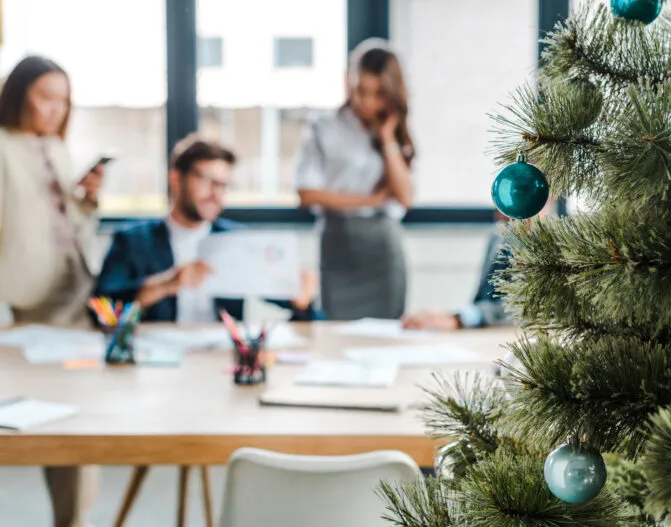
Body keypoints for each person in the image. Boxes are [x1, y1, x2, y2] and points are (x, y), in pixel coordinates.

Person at [0, 56, 103, 527]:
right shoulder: (3, 148)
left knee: (77, 422)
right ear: (18, 95)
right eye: (46, 97)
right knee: (24, 423)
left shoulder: (58, 150)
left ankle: (73, 522)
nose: (56, 109)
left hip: (73, 296)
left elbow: (65, 227)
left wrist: (86, 201)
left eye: (64, 100)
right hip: (23, 304)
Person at [94, 136, 320, 323]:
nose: (216, 193)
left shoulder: (235, 240)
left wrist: (302, 299)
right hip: (154, 364)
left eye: (223, 185)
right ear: (175, 178)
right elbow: (100, 310)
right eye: (207, 181)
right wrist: (164, 284)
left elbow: (306, 312)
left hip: (217, 361)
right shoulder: (133, 240)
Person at [295, 39, 415, 320]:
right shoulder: (323, 126)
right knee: (336, 333)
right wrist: (370, 199)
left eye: (378, 94)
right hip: (338, 243)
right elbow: (308, 194)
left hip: (382, 247)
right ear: (349, 81)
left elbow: (406, 197)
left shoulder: (396, 132)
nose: (367, 102)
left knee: (385, 335)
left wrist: (387, 139)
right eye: (360, 90)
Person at [401, 207, 553, 331]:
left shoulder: (550, 246)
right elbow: (484, 301)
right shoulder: (498, 238)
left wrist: (459, 319)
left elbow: (524, 310)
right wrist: (451, 317)